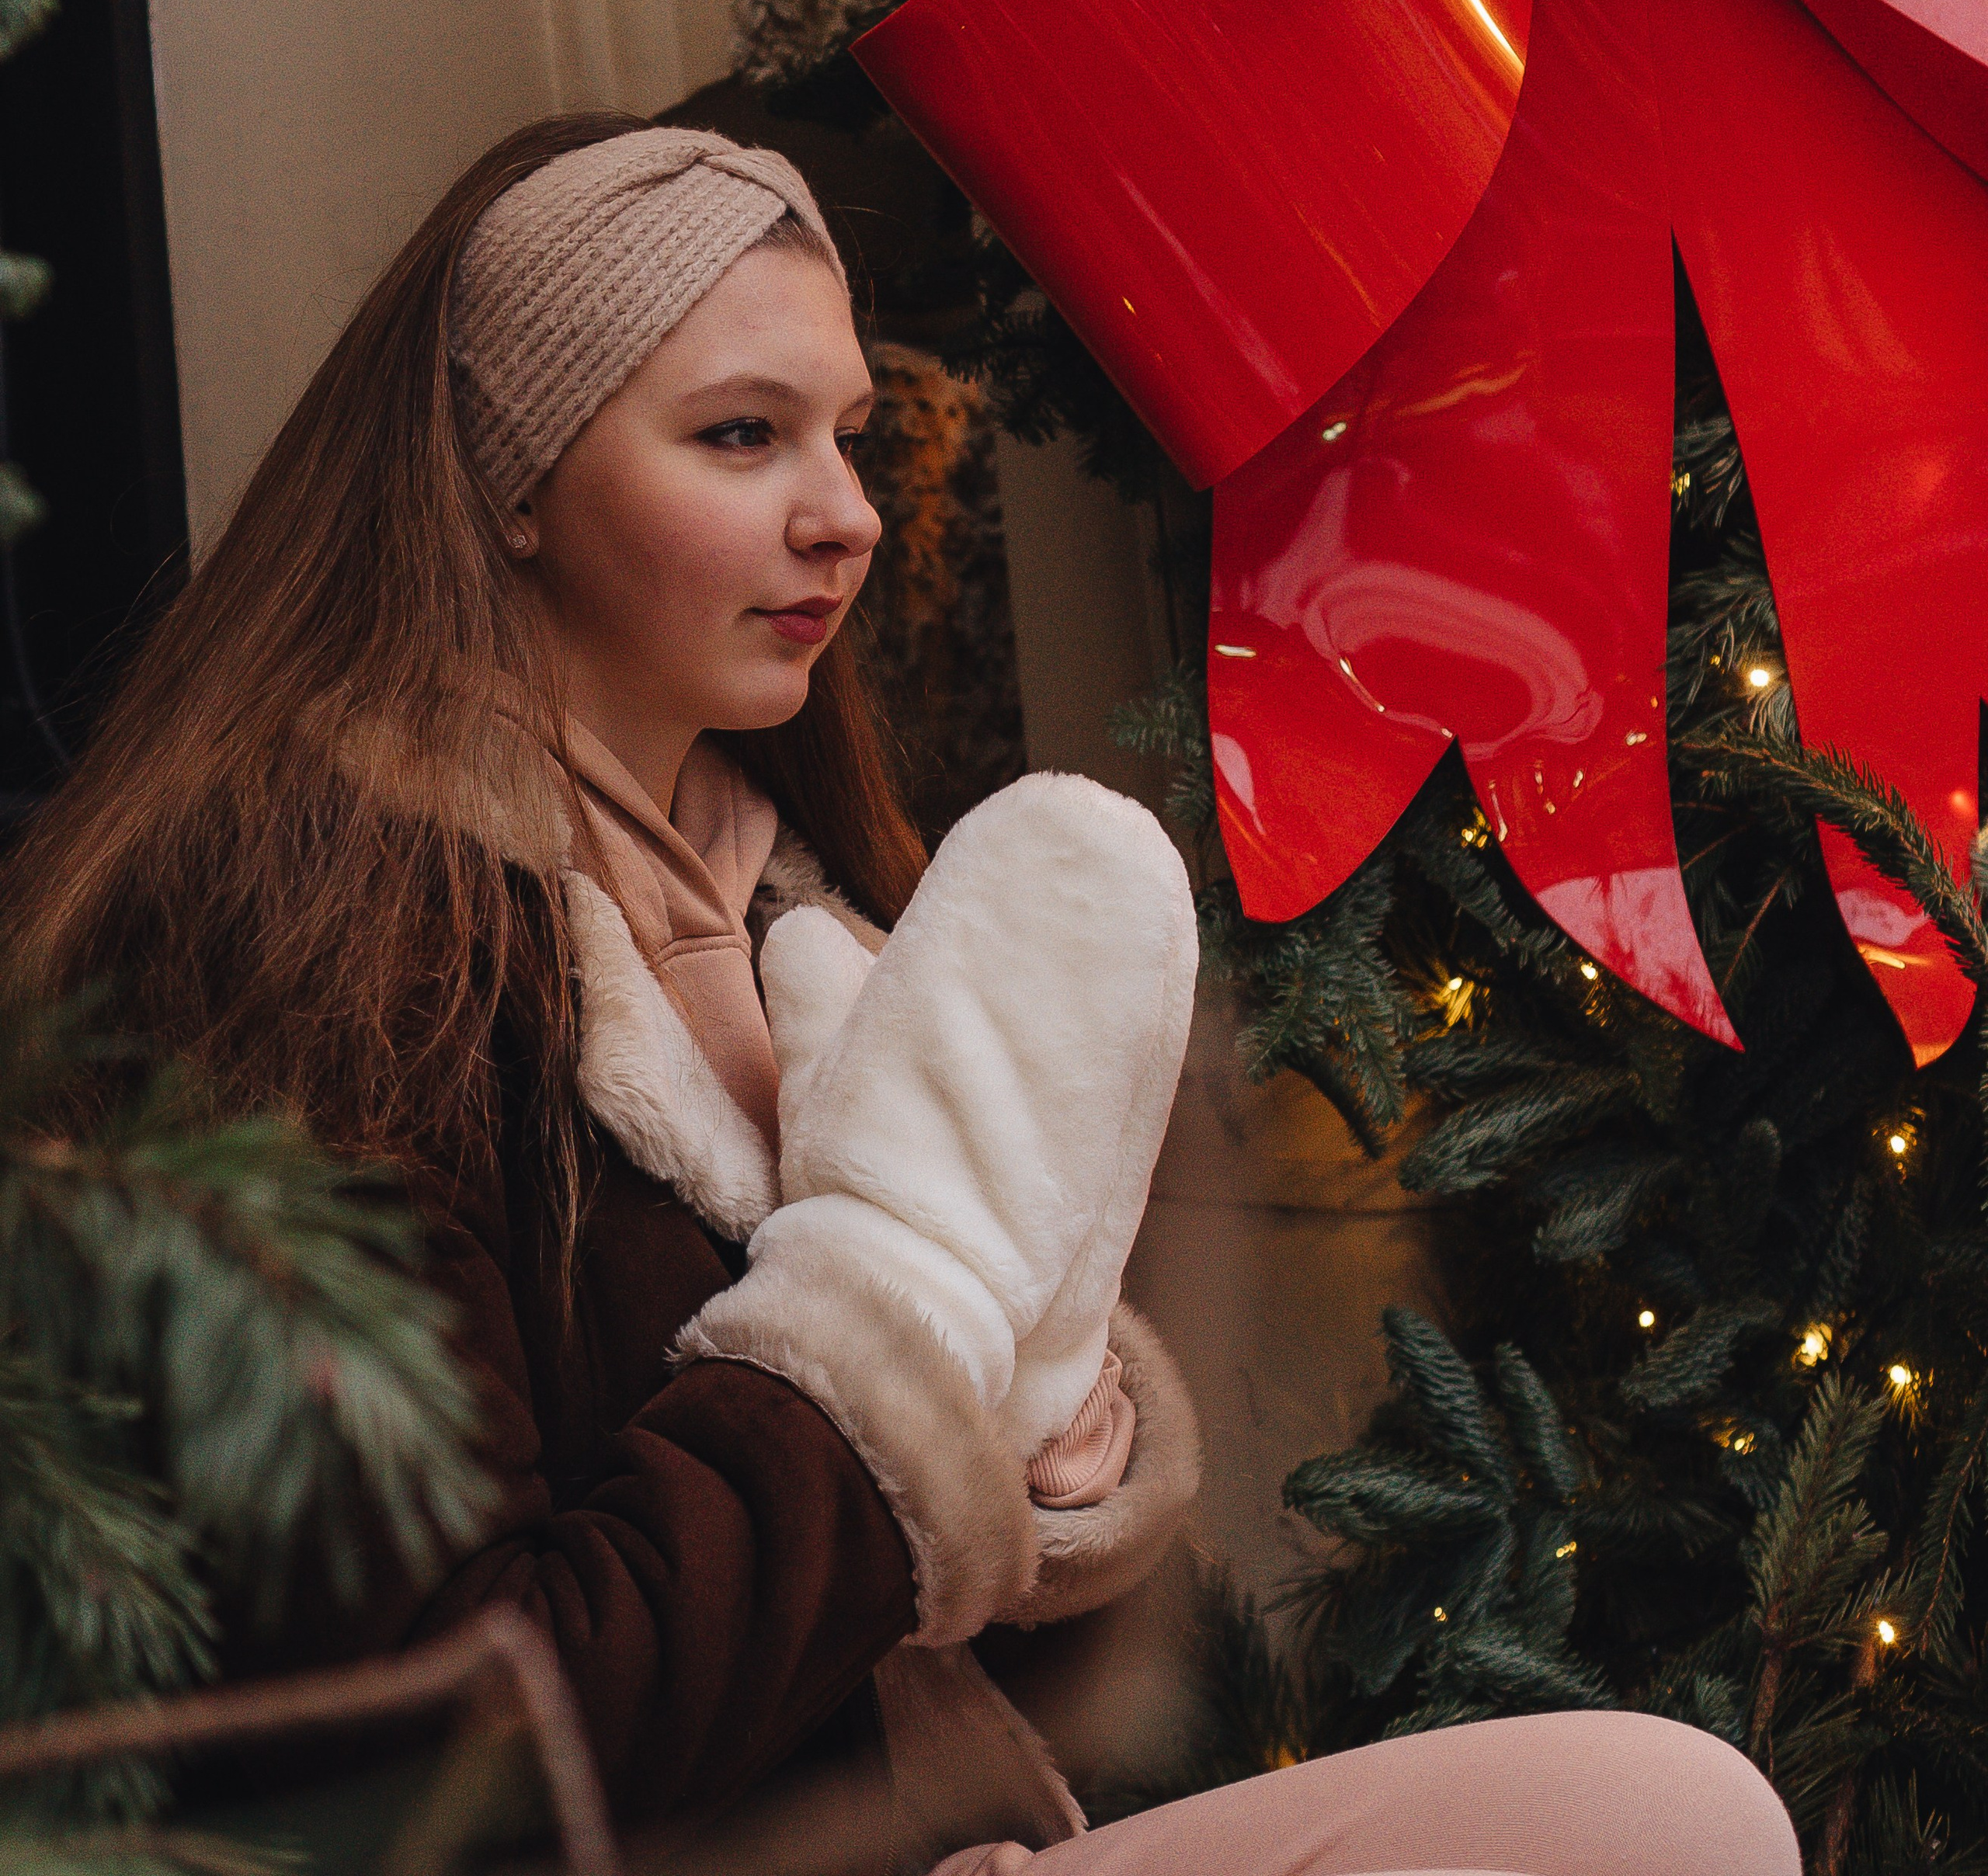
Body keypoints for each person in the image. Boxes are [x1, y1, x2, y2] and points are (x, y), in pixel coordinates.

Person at [7, 117, 1801, 1876]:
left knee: (1659, 1811)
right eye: (741, 435)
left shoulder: (798, 897)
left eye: (849, 438)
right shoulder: (313, 959)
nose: (849, 517)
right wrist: (893, 1338)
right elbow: (445, 1751)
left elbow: (1001, 1640)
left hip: (951, 1831)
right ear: (508, 479)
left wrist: (1053, 1434)